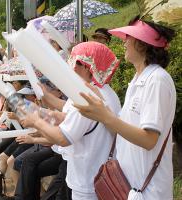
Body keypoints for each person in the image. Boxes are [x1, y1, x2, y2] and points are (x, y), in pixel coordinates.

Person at [75, 16, 176, 199]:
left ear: (143, 45)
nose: (124, 43)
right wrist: (101, 108)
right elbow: (123, 128)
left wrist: (106, 116)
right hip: (128, 185)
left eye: (129, 38)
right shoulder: (138, 80)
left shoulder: (157, 80)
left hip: (148, 190)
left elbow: (149, 139)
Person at [20, 42, 121, 199]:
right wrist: (46, 101)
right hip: (97, 174)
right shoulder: (107, 92)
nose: (71, 69)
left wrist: (36, 121)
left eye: (75, 63)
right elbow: (72, 114)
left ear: (88, 67)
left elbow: (63, 138)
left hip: (87, 179)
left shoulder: (88, 96)